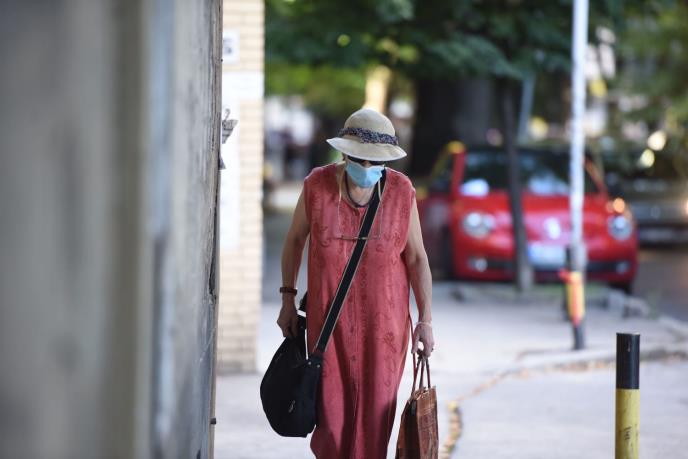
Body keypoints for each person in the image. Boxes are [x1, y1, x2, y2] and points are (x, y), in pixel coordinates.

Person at [277, 108, 434, 458]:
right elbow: (294, 241)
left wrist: (425, 321)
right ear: (345, 154)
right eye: (358, 159)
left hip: (384, 333)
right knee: (331, 424)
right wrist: (287, 299)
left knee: (375, 423)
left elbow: (417, 258)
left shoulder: (401, 191)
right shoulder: (317, 186)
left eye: (374, 161)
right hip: (328, 328)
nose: (365, 167)